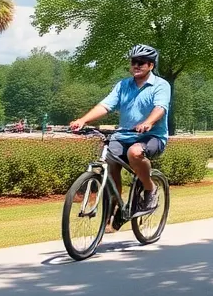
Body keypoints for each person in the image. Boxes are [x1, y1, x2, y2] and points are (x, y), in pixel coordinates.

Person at [70, 44, 171, 217]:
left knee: (135, 152)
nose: (136, 65)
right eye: (133, 62)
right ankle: (115, 205)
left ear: (151, 65)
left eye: (141, 62)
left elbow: (160, 108)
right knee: (108, 160)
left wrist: (148, 122)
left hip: (151, 136)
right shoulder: (123, 85)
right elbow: (105, 105)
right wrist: (83, 120)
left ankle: (150, 189)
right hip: (124, 134)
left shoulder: (161, 85)